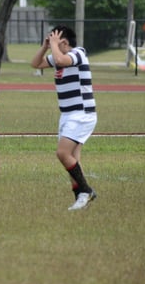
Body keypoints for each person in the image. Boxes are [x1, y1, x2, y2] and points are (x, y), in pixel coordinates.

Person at [30, 25, 97, 210]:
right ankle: (81, 198)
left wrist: (54, 46)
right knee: (73, 157)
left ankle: (86, 191)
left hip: (82, 114)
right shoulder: (59, 58)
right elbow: (35, 64)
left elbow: (60, 58)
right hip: (68, 114)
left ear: (64, 42)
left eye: (55, 40)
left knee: (62, 154)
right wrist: (45, 46)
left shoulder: (77, 54)